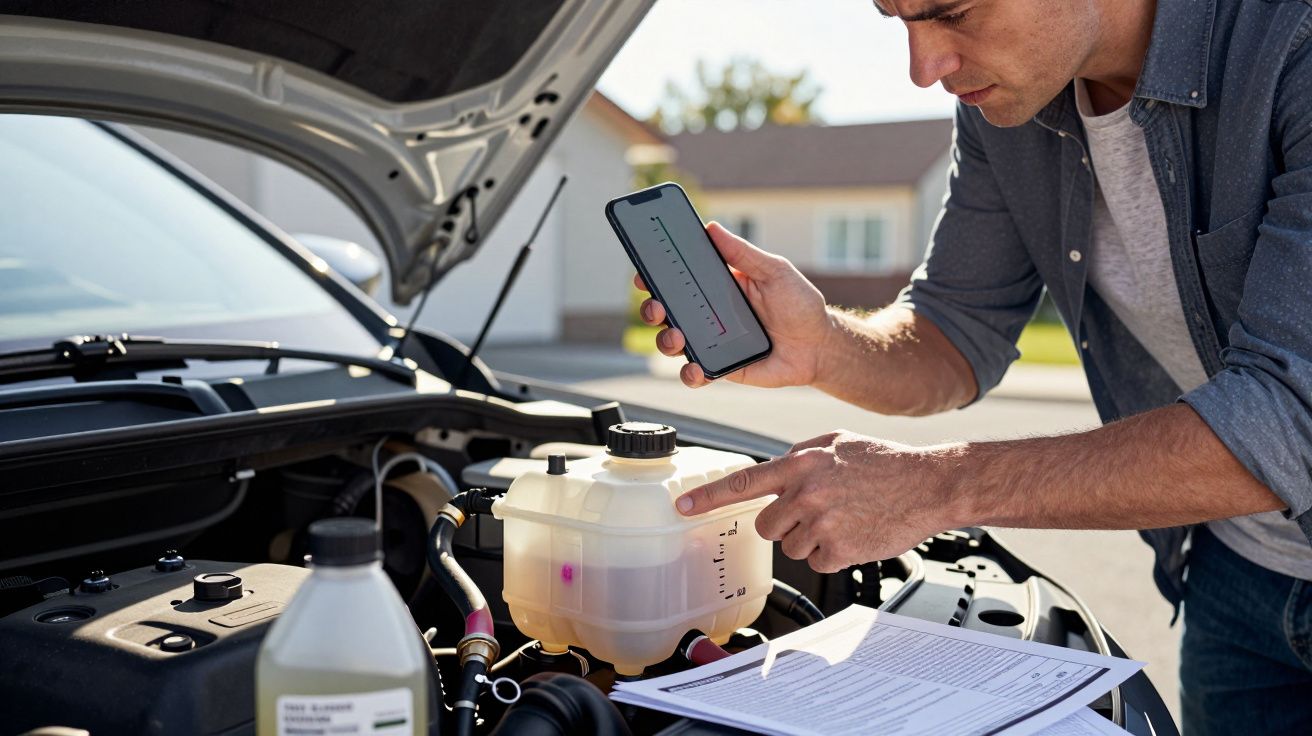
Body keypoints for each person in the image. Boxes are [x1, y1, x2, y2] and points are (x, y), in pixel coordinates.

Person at [633, 0, 1312, 732]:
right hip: (1237, 575)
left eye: (952, 14)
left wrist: (935, 486)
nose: (925, 68)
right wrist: (823, 342)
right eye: (901, 20)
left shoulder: (1292, 43)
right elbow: (956, 333)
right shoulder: (1010, 103)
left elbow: (1290, 421)